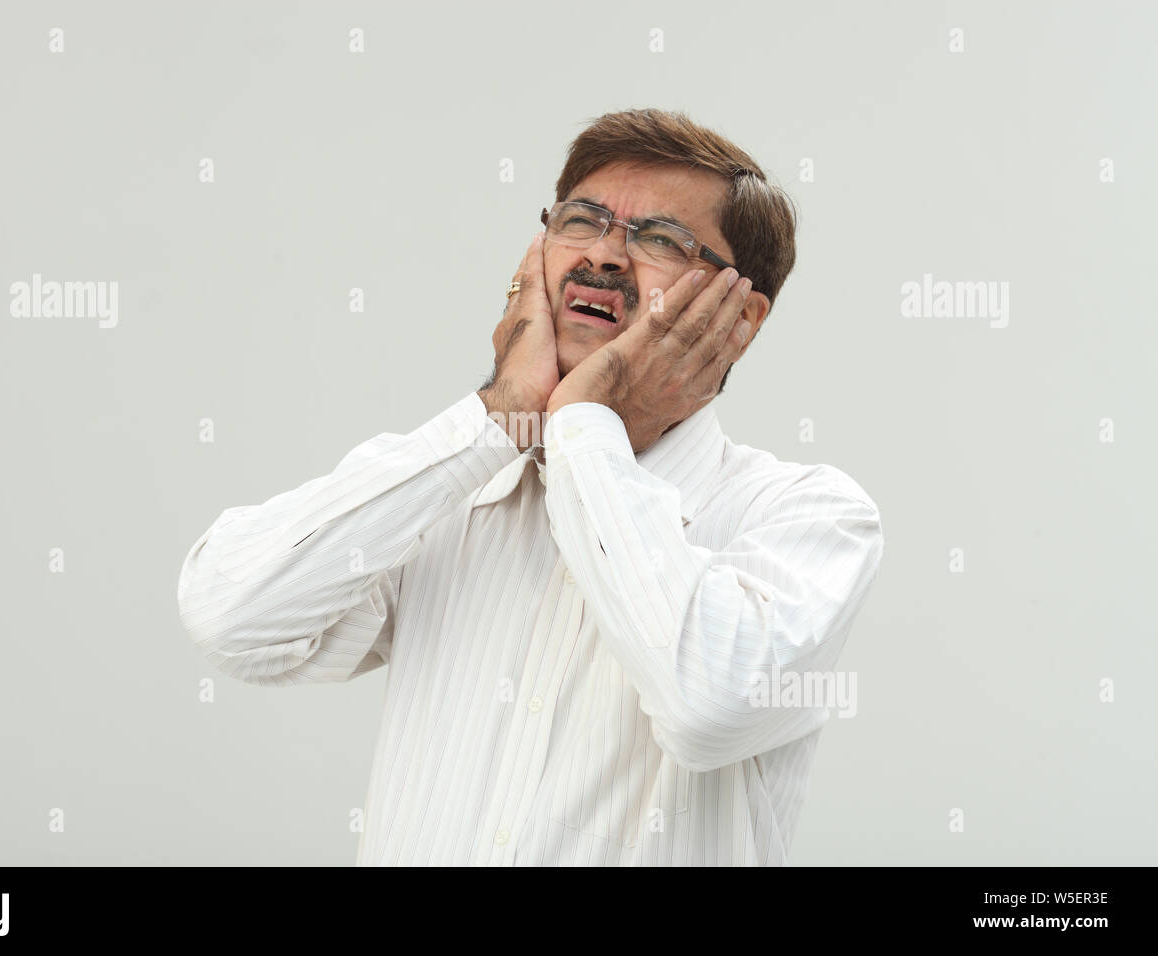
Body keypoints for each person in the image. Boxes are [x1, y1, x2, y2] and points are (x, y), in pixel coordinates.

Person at [177, 108, 884, 866]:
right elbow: (234, 621)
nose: (606, 257)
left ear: (739, 319)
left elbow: (708, 705)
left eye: (658, 239)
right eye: (582, 222)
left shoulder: (810, 517)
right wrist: (496, 418)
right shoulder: (449, 491)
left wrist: (585, 423)